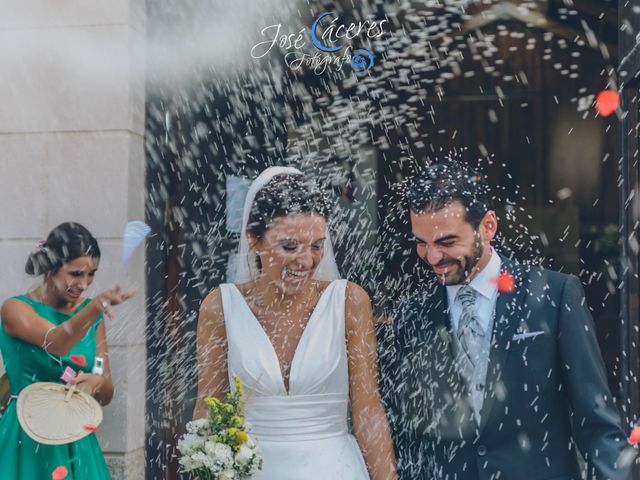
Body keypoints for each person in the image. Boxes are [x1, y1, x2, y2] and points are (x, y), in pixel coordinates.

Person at [391, 160, 633, 479]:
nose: (432, 257)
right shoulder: (412, 315)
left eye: (447, 242)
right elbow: (409, 438)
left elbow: (598, 425)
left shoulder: (555, 296)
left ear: (488, 226)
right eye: (421, 242)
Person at [195, 166, 397, 480]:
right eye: (289, 246)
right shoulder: (220, 308)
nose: (305, 261)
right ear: (253, 239)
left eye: (317, 245)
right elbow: (209, 409)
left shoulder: (349, 302)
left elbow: (368, 411)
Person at [0, 222, 136, 479]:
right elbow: (56, 343)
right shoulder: (15, 309)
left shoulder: (92, 316)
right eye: (75, 274)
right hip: (25, 437)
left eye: (92, 274)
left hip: (75, 439)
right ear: (51, 266)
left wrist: (96, 383)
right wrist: (94, 308)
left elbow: (107, 392)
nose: (84, 284)